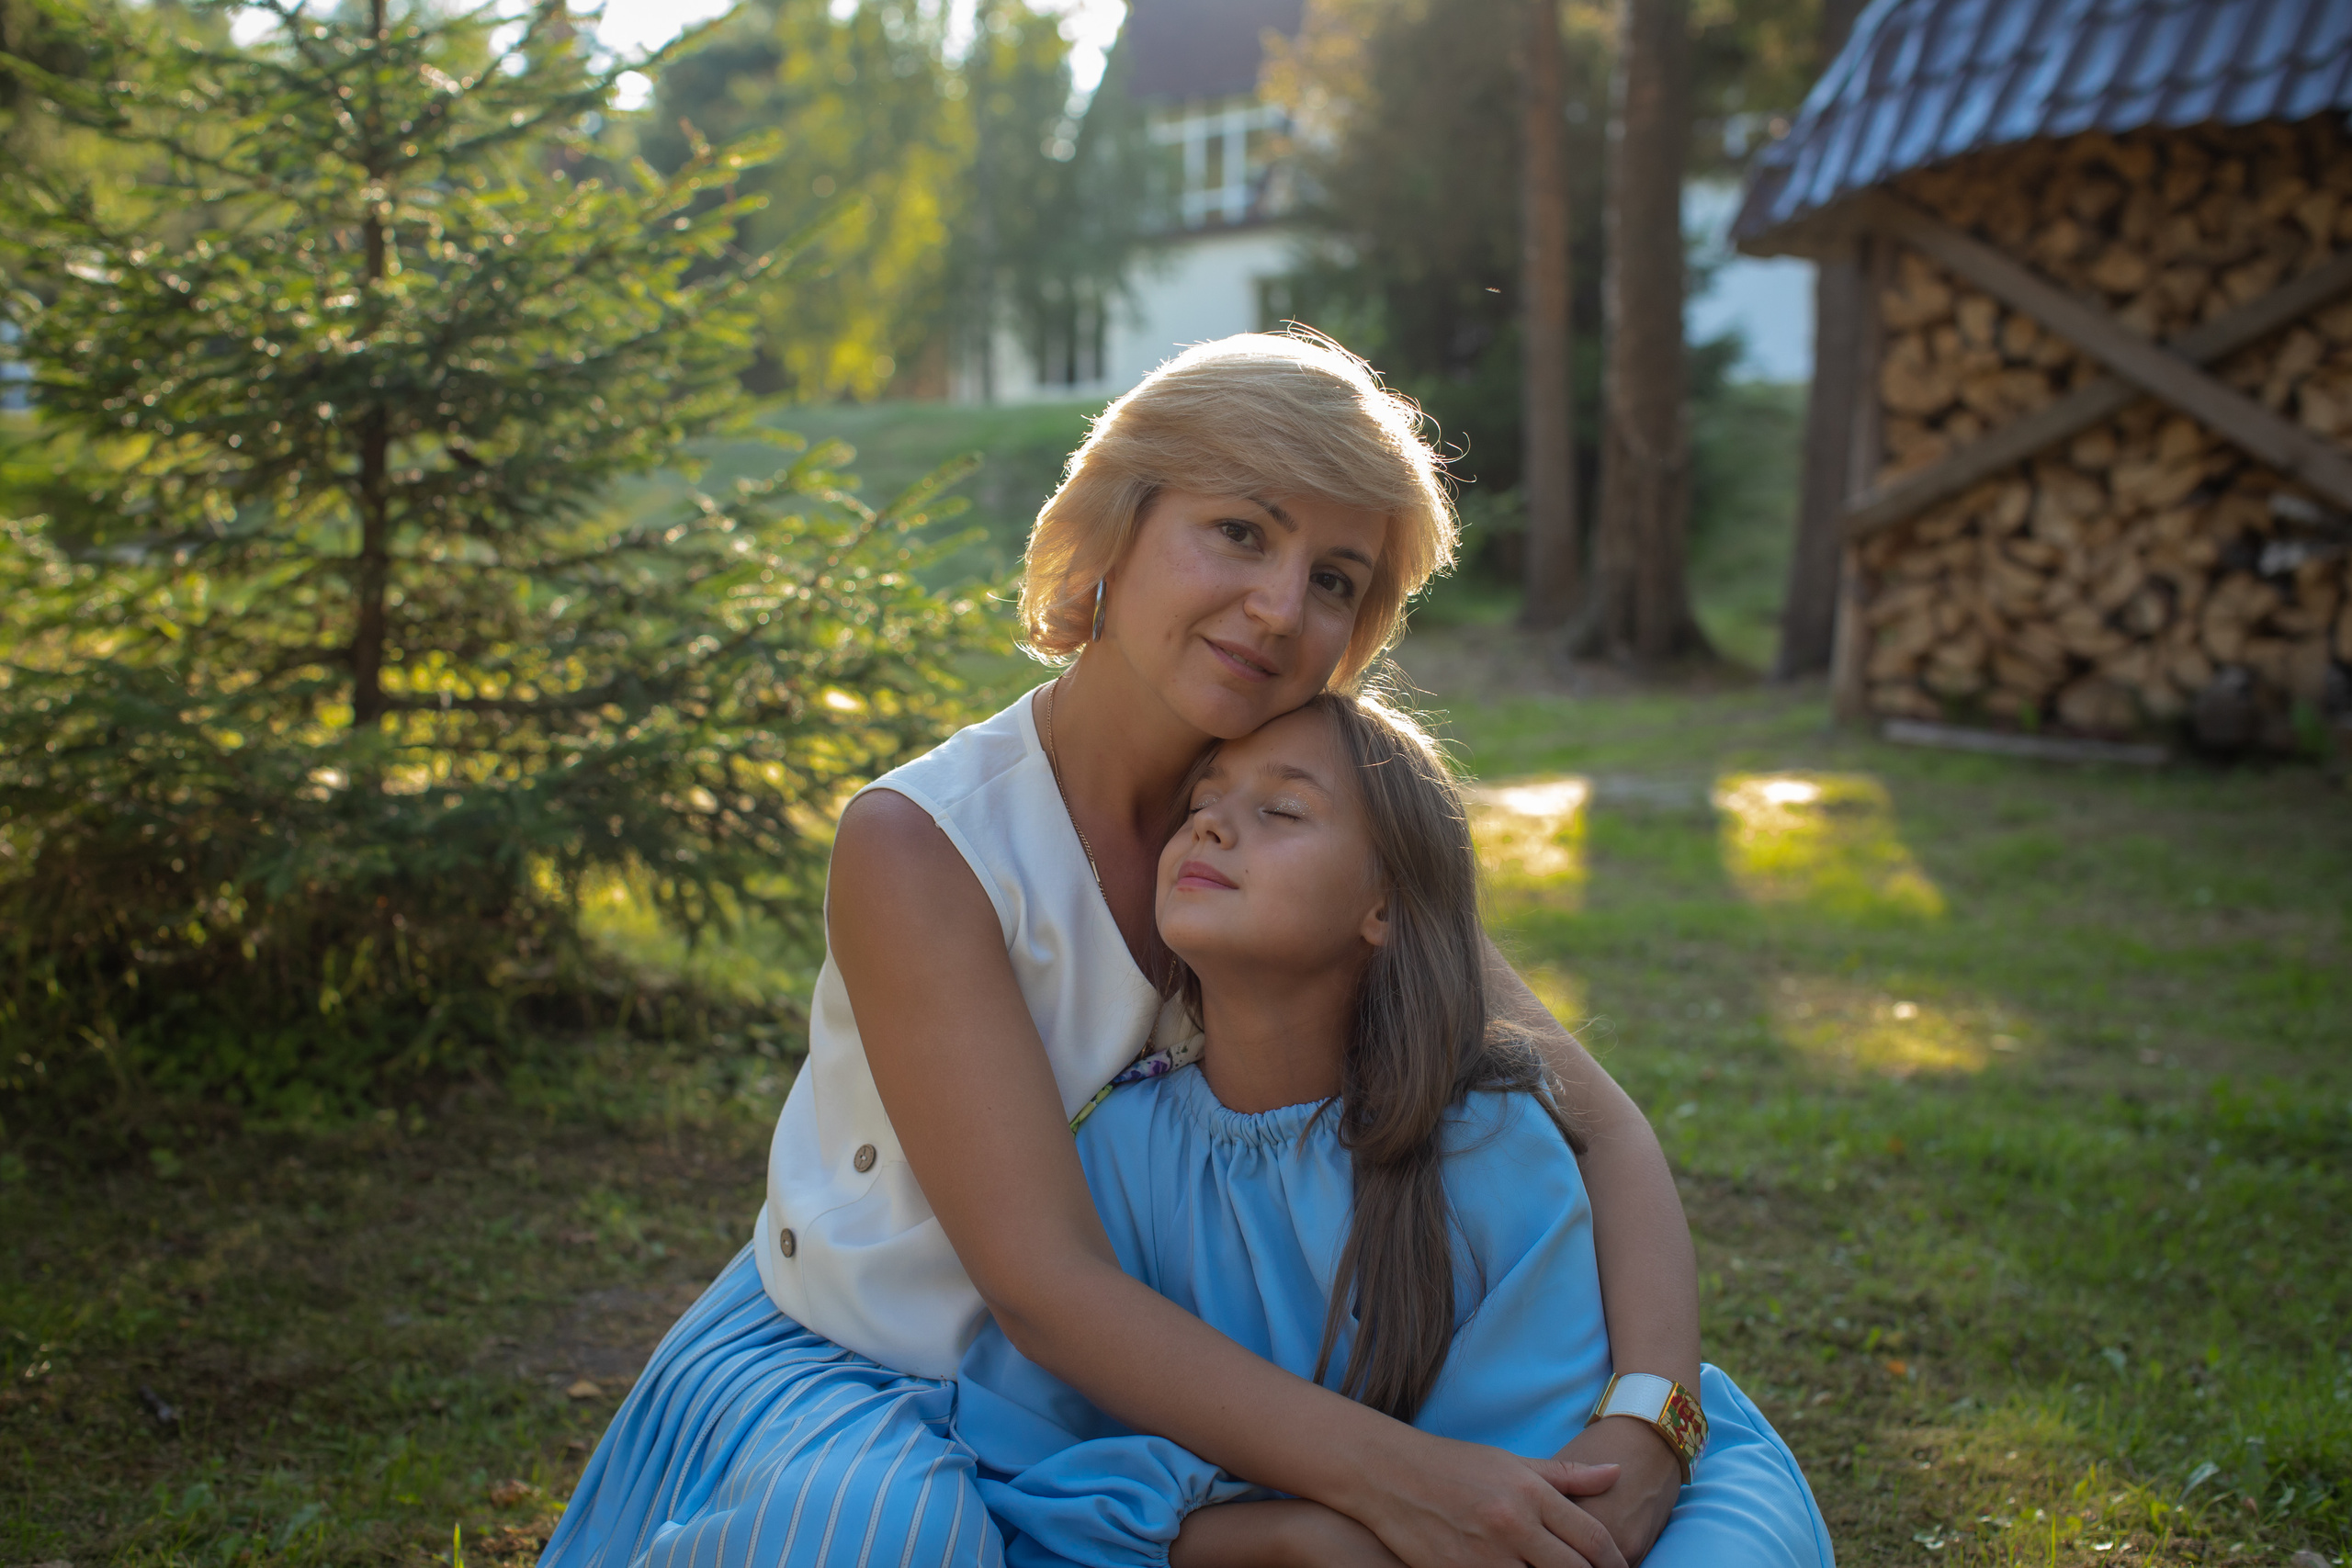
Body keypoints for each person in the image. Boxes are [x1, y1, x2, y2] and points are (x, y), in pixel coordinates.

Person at [539, 333, 1702, 1568]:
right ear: (1118, 523)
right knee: (897, 1535)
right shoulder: (925, 843)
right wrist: (1404, 1483)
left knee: (1703, 1502)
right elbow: (1044, 1285)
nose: (1278, 606)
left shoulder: (1318, 843)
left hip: (1167, 1401)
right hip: (874, 1364)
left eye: (1334, 578)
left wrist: (1654, 1417)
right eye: (1242, 531)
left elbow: (1604, 1129)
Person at [957, 692, 1834, 1568]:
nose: (1212, 828)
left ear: (1383, 904)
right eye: (1202, 804)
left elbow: (1551, 1499)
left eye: (1282, 809)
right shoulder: (1115, 1156)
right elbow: (1034, 1473)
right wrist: (1294, 1539)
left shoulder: (1492, 1144)